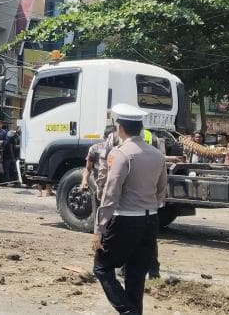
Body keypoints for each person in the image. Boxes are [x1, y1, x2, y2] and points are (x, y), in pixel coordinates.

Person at [93, 104, 167, 315]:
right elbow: (162, 190)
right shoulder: (157, 154)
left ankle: (128, 312)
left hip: (125, 220)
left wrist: (99, 229)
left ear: (120, 129)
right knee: (135, 276)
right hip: (150, 220)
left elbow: (110, 194)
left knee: (102, 268)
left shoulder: (121, 154)